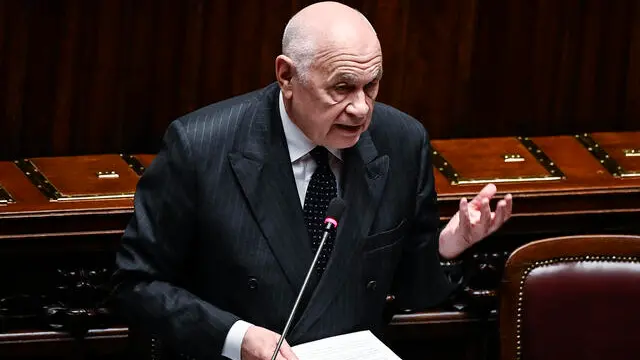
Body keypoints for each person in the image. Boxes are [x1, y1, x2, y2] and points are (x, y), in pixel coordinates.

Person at [111, 2, 513, 360]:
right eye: (341, 88)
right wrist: (237, 337)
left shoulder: (402, 141)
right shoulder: (201, 147)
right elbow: (136, 283)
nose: (360, 109)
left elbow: (413, 290)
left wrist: (450, 244)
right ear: (287, 76)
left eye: (371, 85)